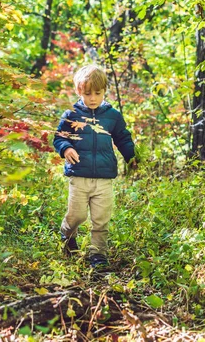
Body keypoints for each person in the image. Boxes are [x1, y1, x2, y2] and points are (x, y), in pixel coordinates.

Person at [53, 64, 136, 269]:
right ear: (78, 91)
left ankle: (98, 256)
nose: (92, 98)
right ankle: (67, 233)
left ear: (104, 91)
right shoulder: (71, 114)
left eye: (97, 93)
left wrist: (131, 156)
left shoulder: (112, 115)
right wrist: (66, 149)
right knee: (78, 215)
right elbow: (59, 137)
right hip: (79, 175)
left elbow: (122, 138)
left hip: (104, 177)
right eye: (87, 93)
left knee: (101, 219)